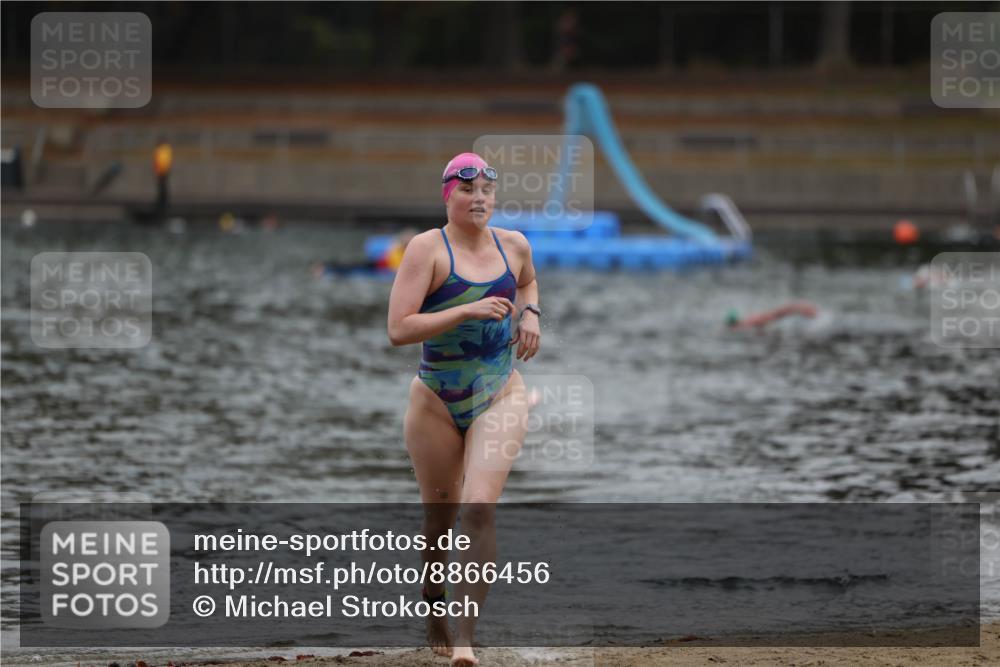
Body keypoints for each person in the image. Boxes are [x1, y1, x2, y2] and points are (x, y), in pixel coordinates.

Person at [387, 152, 541, 666]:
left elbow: (526, 281)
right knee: (439, 522)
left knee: (478, 507)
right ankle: (434, 609)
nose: (479, 200)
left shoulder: (514, 245)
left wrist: (532, 314)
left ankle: (465, 640)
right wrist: (468, 309)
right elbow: (398, 329)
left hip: (499, 393)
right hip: (434, 400)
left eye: (486, 192)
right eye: (467, 190)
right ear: (447, 195)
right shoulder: (426, 250)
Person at [726, 301, 818, 330]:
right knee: (787, 310)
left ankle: (807, 309)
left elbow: (760, 322)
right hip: (766, 317)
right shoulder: (745, 321)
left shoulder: (745, 323)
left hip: (766, 318)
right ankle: (806, 309)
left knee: (786, 310)